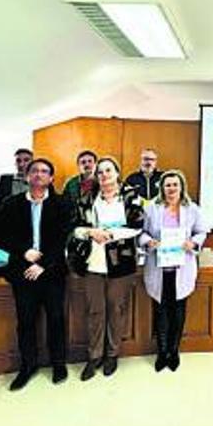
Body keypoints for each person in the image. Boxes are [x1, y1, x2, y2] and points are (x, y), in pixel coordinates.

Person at [0, 158, 72, 390]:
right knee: (26, 321)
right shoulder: (11, 203)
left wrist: (43, 263)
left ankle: (59, 363)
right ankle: (28, 365)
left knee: (56, 319)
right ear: (27, 176)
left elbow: (62, 237)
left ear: (51, 178)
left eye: (44, 171)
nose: (39, 174)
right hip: (22, 272)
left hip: (52, 272)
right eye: (34, 171)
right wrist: (23, 251)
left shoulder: (62, 204)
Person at [72, 157, 144, 381]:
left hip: (121, 263)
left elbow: (137, 225)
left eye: (108, 171)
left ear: (117, 174)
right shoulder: (86, 199)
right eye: (100, 172)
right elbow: (74, 227)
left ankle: (112, 354)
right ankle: (94, 356)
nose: (104, 175)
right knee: (95, 310)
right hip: (93, 263)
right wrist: (90, 233)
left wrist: (111, 235)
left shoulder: (131, 198)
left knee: (116, 309)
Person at [139, 170, 209, 372]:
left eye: (175, 185)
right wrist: (148, 241)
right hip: (158, 267)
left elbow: (202, 232)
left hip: (182, 268)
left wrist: (193, 243)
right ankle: (161, 352)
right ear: (162, 187)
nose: (171, 189)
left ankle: (174, 351)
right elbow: (141, 232)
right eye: (167, 185)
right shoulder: (152, 208)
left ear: (181, 187)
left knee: (178, 311)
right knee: (160, 311)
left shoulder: (192, 209)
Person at [0, 148, 33, 214]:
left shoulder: (40, 182)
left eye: (26, 160)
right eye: (18, 161)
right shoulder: (5, 180)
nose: (21, 164)